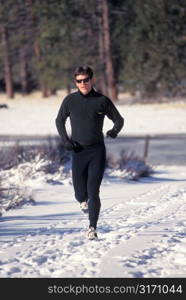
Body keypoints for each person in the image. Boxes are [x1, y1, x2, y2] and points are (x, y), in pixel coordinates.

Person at [55, 66, 124, 240]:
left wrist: (113, 131)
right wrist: (66, 140)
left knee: (94, 191)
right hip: (78, 151)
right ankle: (82, 201)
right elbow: (59, 120)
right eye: (79, 81)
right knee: (80, 193)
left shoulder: (101, 100)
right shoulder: (70, 100)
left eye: (85, 80)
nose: (83, 83)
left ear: (91, 80)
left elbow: (119, 119)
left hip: (96, 151)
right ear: (75, 82)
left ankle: (92, 227)